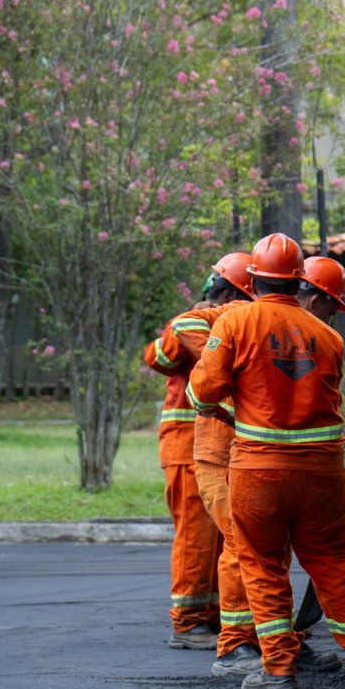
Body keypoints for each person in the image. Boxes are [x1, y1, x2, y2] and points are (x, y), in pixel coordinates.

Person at [189, 233, 345, 689]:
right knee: (332, 563)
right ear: (299, 281)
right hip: (324, 473)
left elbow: (201, 393)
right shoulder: (330, 337)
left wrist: (226, 398)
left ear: (252, 278)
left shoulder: (234, 324)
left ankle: (278, 669)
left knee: (263, 565)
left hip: (259, 472)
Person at [140, 269, 226, 649]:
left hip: (212, 448)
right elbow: (156, 355)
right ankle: (188, 623)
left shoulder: (228, 327)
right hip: (186, 445)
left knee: (220, 539)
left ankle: (214, 616)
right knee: (196, 536)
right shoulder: (191, 324)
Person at [298, 256, 345, 327]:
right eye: (329, 314)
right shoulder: (314, 336)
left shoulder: (279, 317)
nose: (327, 323)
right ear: (314, 301)